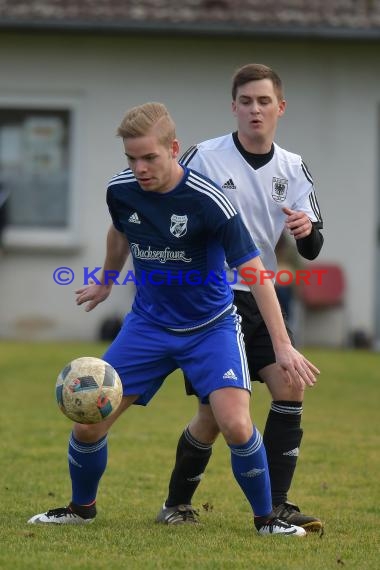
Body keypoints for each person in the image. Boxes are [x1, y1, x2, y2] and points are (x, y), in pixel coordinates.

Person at [28, 102, 319, 536]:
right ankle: (80, 507)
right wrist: (107, 279)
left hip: (211, 328)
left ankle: (266, 520)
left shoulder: (209, 201)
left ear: (174, 149)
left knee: (236, 424)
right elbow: (120, 230)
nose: (139, 168)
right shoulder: (121, 190)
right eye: (131, 158)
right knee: (88, 423)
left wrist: (281, 344)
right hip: (147, 326)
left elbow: (257, 273)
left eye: (150, 157)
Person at [156, 64, 324, 532]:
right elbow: (167, 211)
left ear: (280, 108)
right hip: (211, 296)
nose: (255, 109)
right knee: (214, 413)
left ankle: (278, 504)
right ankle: (176, 503)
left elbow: (312, 247)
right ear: (234, 107)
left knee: (290, 383)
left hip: (261, 293)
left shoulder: (292, 168)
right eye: (246, 101)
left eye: (264, 101)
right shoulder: (203, 158)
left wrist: (307, 231)